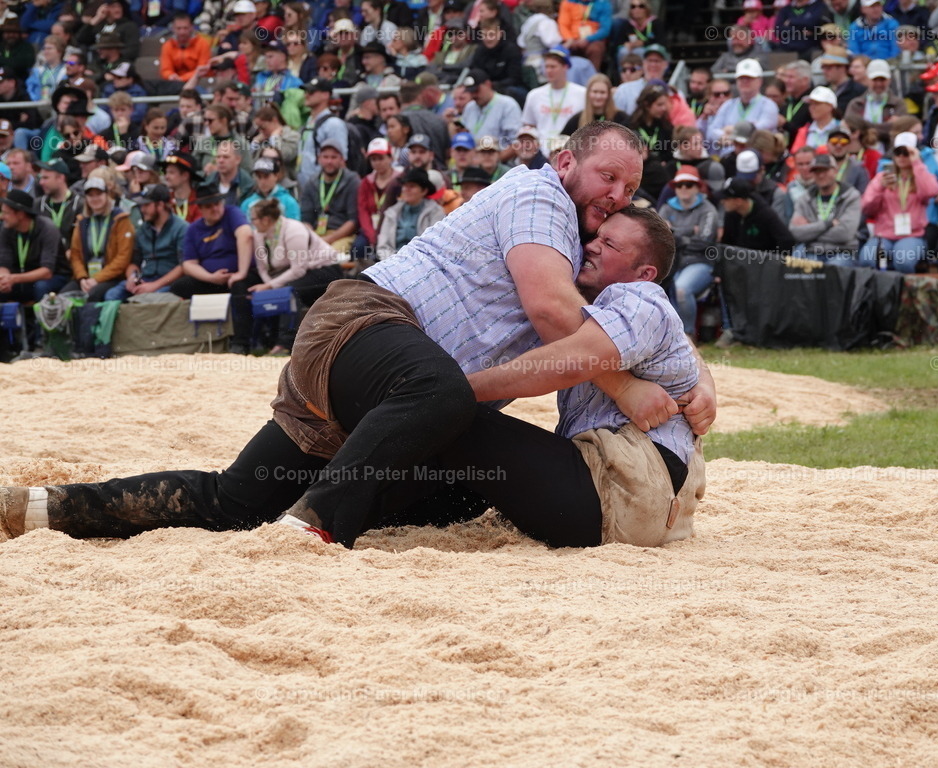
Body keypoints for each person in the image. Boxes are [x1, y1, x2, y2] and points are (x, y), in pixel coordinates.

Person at [0, 123, 716, 548]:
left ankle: (47, 507)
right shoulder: (540, 196)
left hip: (373, 378)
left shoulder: (602, 269)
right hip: (368, 330)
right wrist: (625, 384)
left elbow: (638, 321)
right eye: (608, 177)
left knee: (236, 499)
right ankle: (312, 530)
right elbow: (558, 317)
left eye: (629, 188)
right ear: (567, 164)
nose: (616, 194)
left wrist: (695, 379)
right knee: (444, 396)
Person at [249, 197, 346, 353]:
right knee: (277, 290)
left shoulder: (294, 230)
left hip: (326, 269)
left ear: (265, 220)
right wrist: (269, 286)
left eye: (253, 219)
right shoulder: (259, 234)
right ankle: (262, 341)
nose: (251, 222)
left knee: (289, 291)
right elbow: (262, 269)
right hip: (303, 271)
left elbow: (298, 269)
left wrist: (269, 286)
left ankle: (284, 344)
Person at [170, 183, 259, 354]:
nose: (216, 209)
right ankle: (196, 340)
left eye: (218, 204)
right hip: (212, 279)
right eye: (209, 206)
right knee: (178, 286)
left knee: (240, 287)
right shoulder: (194, 229)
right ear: (201, 209)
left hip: (241, 274)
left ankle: (240, 344)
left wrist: (240, 272)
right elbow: (188, 264)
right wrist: (210, 277)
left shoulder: (232, 213)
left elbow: (245, 234)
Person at [859, 132, 938, 272]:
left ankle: (903, 291)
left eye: (907, 152)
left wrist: (917, 163)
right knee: (867, 258)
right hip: (884, 235)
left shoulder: (921, 175)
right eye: (898, 152)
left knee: (903, 260)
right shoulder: (883, 177)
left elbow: (931, 191)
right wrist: (880, 188)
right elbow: (866, 206)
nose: (902, 157)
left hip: (912, 235)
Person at [658, 166, 718, 336]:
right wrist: (691, 231)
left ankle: (688, 335)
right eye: (680, 185)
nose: (684, 188)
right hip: (671, 263)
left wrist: (675, 233)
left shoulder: (708, 209)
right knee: (659, 289)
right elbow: (660, 240)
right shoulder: (666, 208)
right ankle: (668, 337)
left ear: (698, 187)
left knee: (681, 289)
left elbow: (704, 242)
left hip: (700, 262)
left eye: (689, 184)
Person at [105, 184, 185, 301]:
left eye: (147, 205)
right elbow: (134, 262)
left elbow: (183, 267)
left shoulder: (181, 229)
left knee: (150, 299)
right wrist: (132, 277)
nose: (142, 210)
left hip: (169, 282)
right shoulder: (142, 230)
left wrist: (155, 285)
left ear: (160, 205)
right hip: (145, 278)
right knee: (112, 295)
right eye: (141, 206)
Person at [63, 175, 135, 302]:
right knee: (63, 298)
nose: (95, 198)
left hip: (111, 277)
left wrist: (97, 279)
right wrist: (82, 278)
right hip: (86, 277)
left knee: (93, 295)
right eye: (91, 195)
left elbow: (123, 257)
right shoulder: (82, 221)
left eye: (99, 194)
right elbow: (75, 254)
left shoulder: (120, 219)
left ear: (107, 195)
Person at [789, 154, 863, 265]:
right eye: (817, 171)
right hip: (812, 251)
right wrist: (827, 225)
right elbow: (795, 232)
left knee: (834, 269)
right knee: (803, 267)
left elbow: (845, 234)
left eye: (825, 170)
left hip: (842, 252)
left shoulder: (851, 196)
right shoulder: (804, 199)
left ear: (835, 171)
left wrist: (810, 230)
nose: (821, 175)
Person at [0, 189, 68, 303]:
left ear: (20, 214)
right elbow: (4, 262)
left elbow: (47, 272)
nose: (2, 217)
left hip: (53, 276)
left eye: (6, 213)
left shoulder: (47, 228)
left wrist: (13, 279)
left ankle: (42, 320)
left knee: (40, 286)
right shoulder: (6, 229)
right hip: (20, 277)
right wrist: (4, 279)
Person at [521, 47, 587, 153]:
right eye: (546, 67)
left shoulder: (582, 93)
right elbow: (529, 126)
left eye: (553, 67)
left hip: (571, 150)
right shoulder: (534, 95)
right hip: (541, 153)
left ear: (565, 67)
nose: (548, 71)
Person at [300, 139, 359, 254]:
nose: (329, 161)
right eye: (325, 157)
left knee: (329, 255)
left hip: (342, 235)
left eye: (333, 157)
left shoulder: (352, 181)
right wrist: (314, 239)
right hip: (316, 234)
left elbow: (353, 221)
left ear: (342, 159)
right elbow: (306, 219)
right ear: (319, 159)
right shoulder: (311, 183)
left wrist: (328, 240)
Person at [705, 59, 779, 150]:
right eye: (741, 78)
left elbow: (762, 128)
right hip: (729, 155)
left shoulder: (769, 105)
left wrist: (730, 130)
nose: (745, 81)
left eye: (749, 78)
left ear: (760, 81)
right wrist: (723, 137)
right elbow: (712, 131)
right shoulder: (728, 105)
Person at [377, 167, 445, 258]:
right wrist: (392, 262)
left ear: (424, 191)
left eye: (412, 186)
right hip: (393, 262)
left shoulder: (436, 212)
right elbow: (382, 246)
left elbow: (436, 245)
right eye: (405, 186)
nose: (406, 189)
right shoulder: (391, 213)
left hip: (423, 262)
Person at [459, 69, 523, 159]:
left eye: (477, 90)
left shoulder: (507, 105)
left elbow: (516, 143)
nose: (474, 95)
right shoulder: (469, 107)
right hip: (473, 161)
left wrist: (492, 163)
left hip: (500, 162)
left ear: (488, 84)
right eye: (471, 92)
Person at [720, 178, 796, 252]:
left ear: (738, 201)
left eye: (726, 199)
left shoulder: (765, 215)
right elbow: (726, 242)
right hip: (737, 260)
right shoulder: (730, 213)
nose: (722, 202)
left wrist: (773, 262)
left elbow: (787, 240)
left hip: (760, 261)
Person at [354, 137, 394, 259]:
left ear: (390, 158)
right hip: (369, 229)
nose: (377, 163)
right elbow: (363, 211)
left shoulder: (398, 181)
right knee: (358, 249)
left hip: (391, 228)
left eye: (381, 158)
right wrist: (372, 235)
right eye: (373, 159)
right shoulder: (366, 182)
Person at [35, 157, 83, 254]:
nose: (41, 182)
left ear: (61, 178)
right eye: (40, 178)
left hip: (71, 260)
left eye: (45, 178)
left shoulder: (79, 204)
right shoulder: (38, 204)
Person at [561, 73, 630, 135]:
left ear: (609, 94)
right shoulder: (577, 119)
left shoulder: (621, 118)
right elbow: (563, 140)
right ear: (588, 93)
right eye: (595, 92)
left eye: (602, 92)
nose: (598, 96)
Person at [241, 157, 301, 221]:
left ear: (276, 176)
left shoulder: (289, 202)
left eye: (266, 176)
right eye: (259, 177)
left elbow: (294, 227)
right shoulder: (247, 203)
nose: (262, 181)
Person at [160, 14, 212, 84]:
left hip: (198, 82)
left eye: (185, 28)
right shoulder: (167, 46)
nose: (182, 32)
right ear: (173, 29)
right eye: (179, 28)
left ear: (191, 27)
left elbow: (203, 69)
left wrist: (182, 79)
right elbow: (165, 69)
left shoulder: (202, 44)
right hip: (174, 83)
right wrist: (170, 76)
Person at [162, 150, 200, 223]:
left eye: (171, 172)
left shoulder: (200, 202)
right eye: (166, 172)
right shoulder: (164, 202)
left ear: (185, 176)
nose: (166, 177)